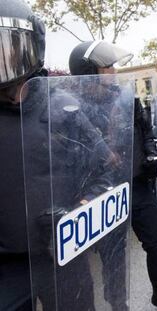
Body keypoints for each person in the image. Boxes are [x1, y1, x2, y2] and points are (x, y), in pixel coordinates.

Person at [69, 41, 157, 311]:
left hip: (138, 185)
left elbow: (145, 129)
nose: (114, 70)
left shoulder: (126, 97)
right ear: (88, 71)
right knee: (113, 256)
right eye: (107, 66)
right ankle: (118, 304)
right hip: (105, 191)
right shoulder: (75, 108)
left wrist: (149, 152)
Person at [0, 1, 46, 310]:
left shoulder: (60, 104)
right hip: (7, 268)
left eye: (5, 45)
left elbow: (97, 162)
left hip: (60, 252)